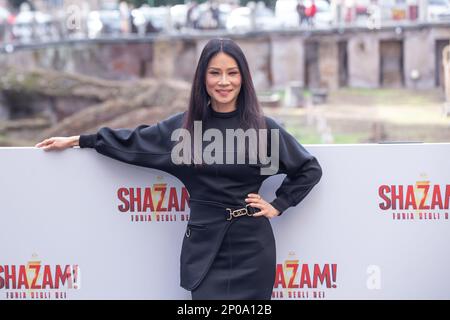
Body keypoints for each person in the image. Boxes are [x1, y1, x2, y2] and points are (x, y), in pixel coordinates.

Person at [35, 38, 322, 300]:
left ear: (244, 78)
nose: (224, 81)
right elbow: (134, 142)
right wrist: (80, 140)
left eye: (232, 73)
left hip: (252, 248)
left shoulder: (263, 129)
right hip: (205, 247)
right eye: (215, 73)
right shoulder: (184, 130)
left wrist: (278, 204)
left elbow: (308, 169)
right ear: (202, 78)